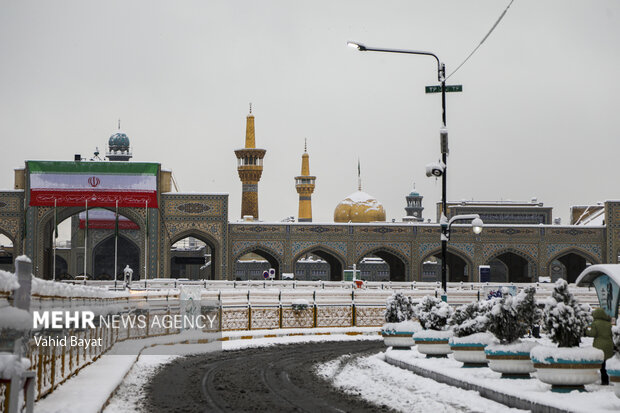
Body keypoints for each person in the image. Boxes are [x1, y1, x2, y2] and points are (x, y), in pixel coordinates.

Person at [586, 307, 613, 385]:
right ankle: (607, 379)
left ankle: (603, 380)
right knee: (606, 363)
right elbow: (611, 335)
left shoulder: (595, 323)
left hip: (599, 346)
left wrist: (587, 329)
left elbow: (592, 334)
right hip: (609, 345)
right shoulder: (608, 324)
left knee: (601, 364)